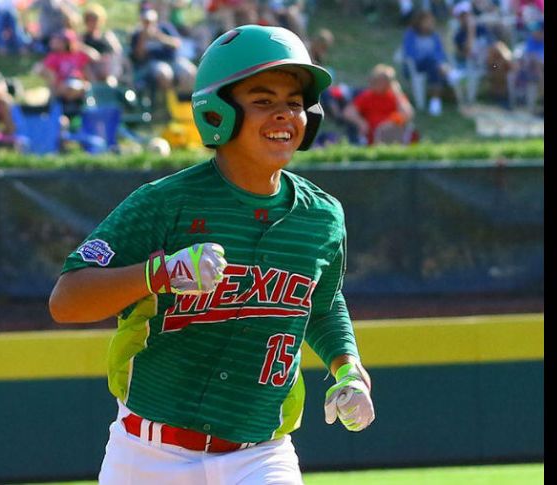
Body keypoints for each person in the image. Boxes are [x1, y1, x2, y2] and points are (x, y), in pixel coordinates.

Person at [49, 24, 375, 484]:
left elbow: (321, 304)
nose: (284, 115)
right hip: (148, 454)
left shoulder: (322, 216)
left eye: (294, 103)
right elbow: (66, 300)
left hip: (262, 455)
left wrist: (349, 368)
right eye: (263, 101)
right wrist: (159, 273)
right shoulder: (164, 203)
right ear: (217, 110)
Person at [129, 6, 197, 103]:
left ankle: (189, 101)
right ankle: (171, 103)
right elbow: (139, 56)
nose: (148, 24)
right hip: (153, 62)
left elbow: (177, 44)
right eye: (146, 22)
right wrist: (143, 39)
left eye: (150, 21)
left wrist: (160, 37)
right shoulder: (137, 34)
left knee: (190, 72)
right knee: (164, 74)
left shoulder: (164, 27)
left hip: (173, 59)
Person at [342, 64, 415, 145]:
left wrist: (392, 122)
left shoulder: (395, 96)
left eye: (382, 80)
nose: (376, 83)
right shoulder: (367, 96)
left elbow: (408, 114)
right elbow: (348, 112)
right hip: (373, 135)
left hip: (394, 133)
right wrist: (361, 122)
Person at [401, 9, 453, 115]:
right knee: (433, 63)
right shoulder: (410, 35)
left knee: (433, 66)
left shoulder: (434, 36)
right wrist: (431, 59)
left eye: (432, 22)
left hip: (433, 66)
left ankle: (435, 100)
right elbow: (410, 54)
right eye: (427, 21)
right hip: (415, 66)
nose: (430, 24)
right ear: (419, 22)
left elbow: (440, 53)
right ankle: (449, 76)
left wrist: (438, 62)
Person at [81, 4, 125, 86]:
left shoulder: (108, 36)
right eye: (89, 20)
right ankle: (95, 86)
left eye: (95, 19)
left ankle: (111, 84)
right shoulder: (82, 38)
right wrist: (89, 51)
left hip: (108, 67)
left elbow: (118, 52)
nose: (92, 22)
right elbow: (77, 48)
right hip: (92, 69)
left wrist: (104, 59)